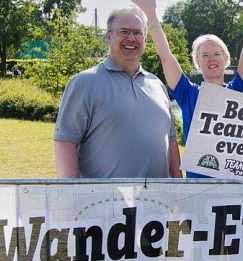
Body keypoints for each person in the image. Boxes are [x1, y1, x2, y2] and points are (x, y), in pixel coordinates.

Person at [134, 0, 243, 178]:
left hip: (236, 189)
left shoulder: (239, 89)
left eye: (216, 54)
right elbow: (166, 57)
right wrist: (150, 13)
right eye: (204, 55)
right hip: (198, 190)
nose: (211, 59)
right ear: (197, 62)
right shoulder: (188, 94)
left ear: (226, 58)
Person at [54, 7, 181, 178]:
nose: (131, 38)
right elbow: (65, 143)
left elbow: (171, 144)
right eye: (123, 32)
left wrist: (178, 189)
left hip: (158, 201)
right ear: (108, 36)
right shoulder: (84, 83)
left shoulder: (157, 85)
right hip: (105, 202)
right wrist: (73, 195)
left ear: (145, 39)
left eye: (137, 32)